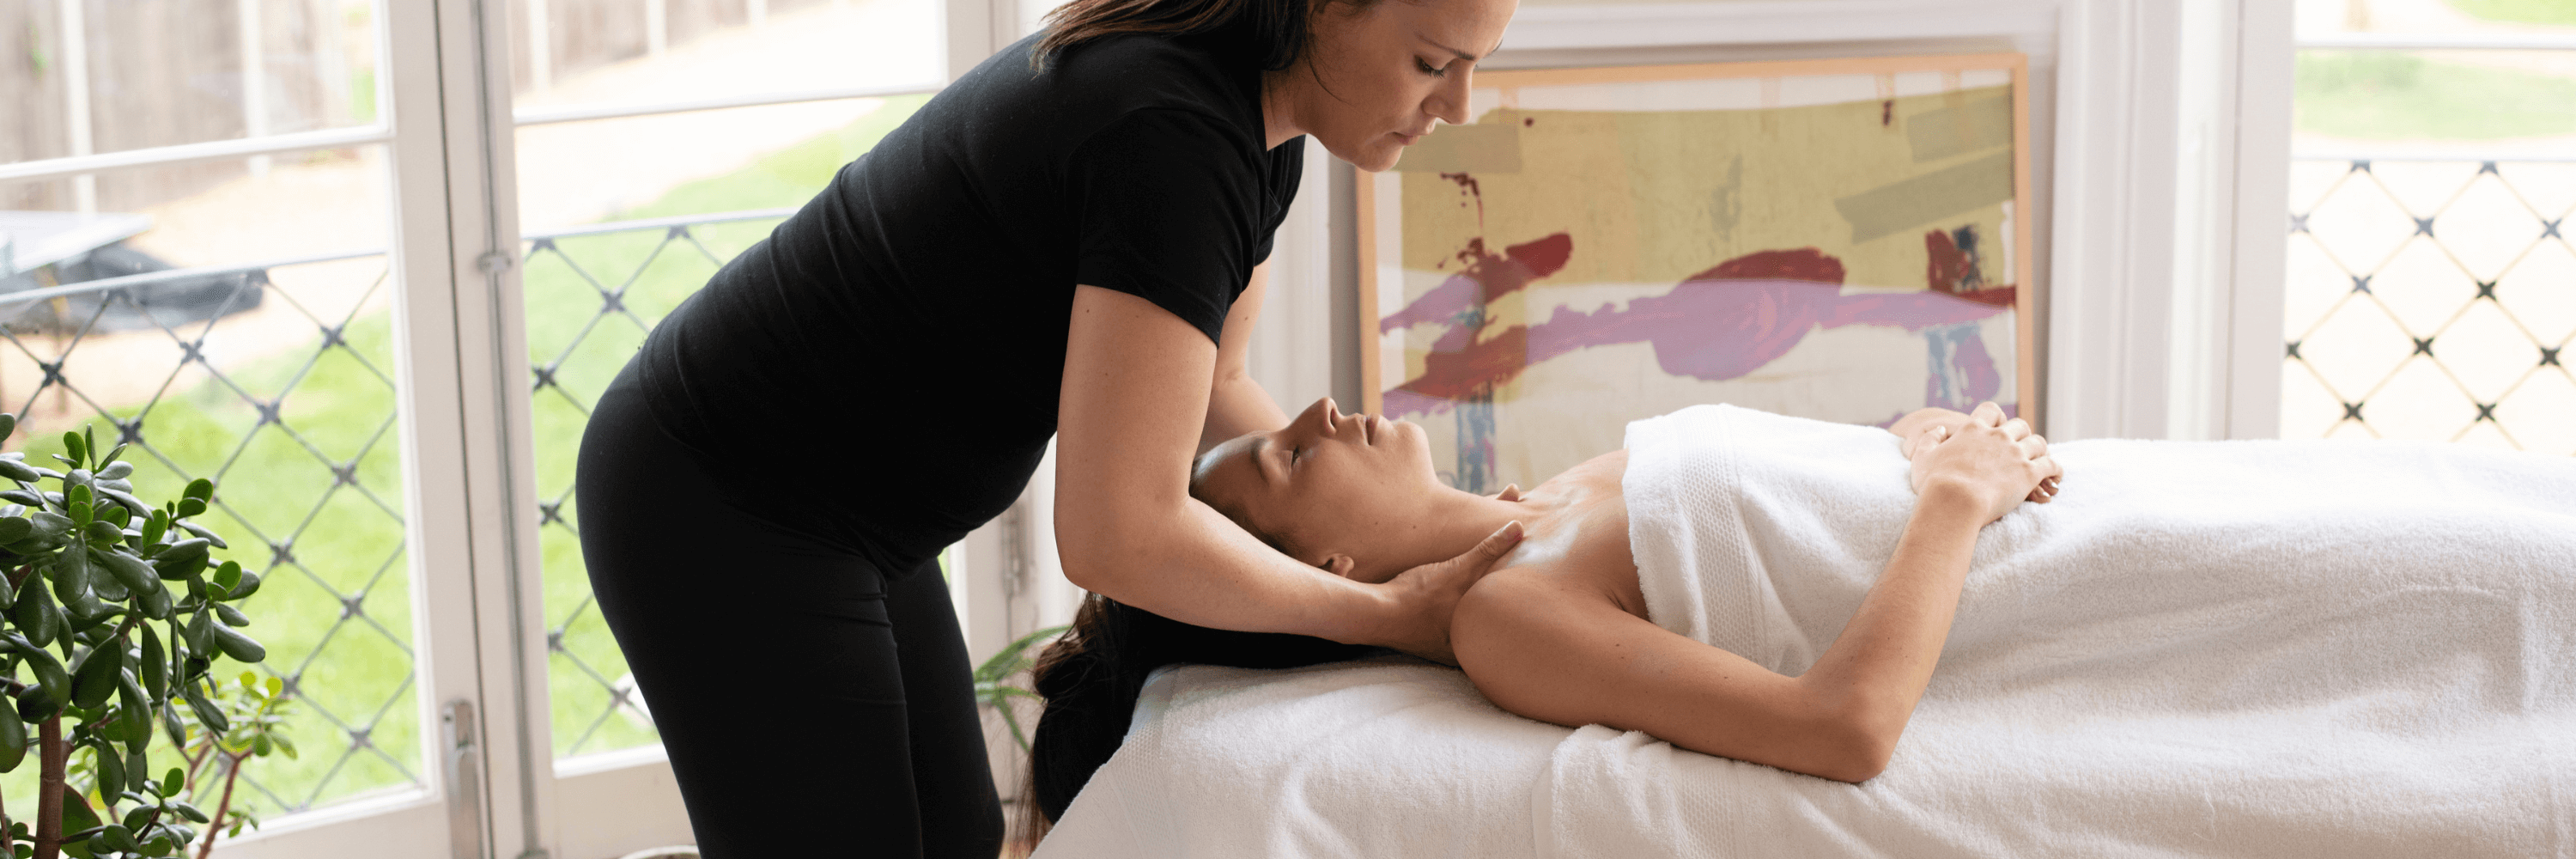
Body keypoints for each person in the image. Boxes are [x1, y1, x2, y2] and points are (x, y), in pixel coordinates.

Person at [573, 0, 1521, 853]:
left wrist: (1409, 528)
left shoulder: (1256, 127)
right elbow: (1119, 535)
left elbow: (1215, 383)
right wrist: (1389, 615)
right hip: (727, 498)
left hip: (849, 518)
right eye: (1435, 63)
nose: (1462, 105)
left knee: (956, 836)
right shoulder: (1173, 139)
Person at [1025, 397, 2056, 821]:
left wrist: (1932, 432)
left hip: (2054, 499)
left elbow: (1831, 477)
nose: (1321, 411)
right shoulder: (1506, 619)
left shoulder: (1566, 488)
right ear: (1327, 565)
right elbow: (1842, 729)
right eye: (1292, 457)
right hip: (2034, 572)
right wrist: (1960, 496)